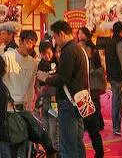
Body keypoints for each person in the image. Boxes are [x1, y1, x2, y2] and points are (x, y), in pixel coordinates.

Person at [37, 20, 90, 158]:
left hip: (68, 102)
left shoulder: (68, 50)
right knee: (77, 142)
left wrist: (46, 78)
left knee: (67, 144)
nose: (54, 41)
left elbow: (63, 78)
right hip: (79, 100)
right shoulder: (79, 49)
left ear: (61, 34)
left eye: (54, 37)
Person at [0, 30, 38, 157]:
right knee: (8, 147)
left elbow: (31, 86)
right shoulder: (7, 57)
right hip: (8, 110)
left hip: (24, 111)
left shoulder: (33, 63)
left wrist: (29, 107)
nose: (30, 46)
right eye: (27, 42)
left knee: (23, 147)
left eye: (33, 43)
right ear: (20, 41)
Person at [80, 39, 105, 158]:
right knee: (91, 130)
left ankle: (99, 154)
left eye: (82, 47)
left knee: (91, 129)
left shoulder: (91, 61)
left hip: (89, 98)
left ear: (89, 49)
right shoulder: (87, 60)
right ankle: (99, 154)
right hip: (87, 98)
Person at [36, 40, 58, 151]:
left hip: (54, 99)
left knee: (54, 121)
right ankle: (48, 147)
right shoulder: (41, 64)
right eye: (43, 54)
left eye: (48, 52)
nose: (46, 56)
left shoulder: (57, 60)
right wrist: (40, 89)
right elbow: (39, 82)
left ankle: (54, 147)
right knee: (45, 120)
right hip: (45, 99)